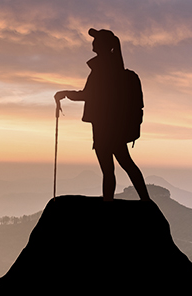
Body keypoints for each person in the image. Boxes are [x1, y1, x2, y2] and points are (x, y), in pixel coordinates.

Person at [54, 28, 150, 202]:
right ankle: (144, 200)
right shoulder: (113, 66)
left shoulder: (102, 69)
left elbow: (88, 95)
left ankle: (110, 203)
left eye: (96, 40)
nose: (92, 43)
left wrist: (65, 93)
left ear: (103, 45)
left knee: (110, 168)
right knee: (125, 163)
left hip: (104, 127)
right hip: (115, 127)